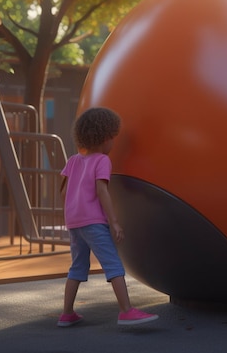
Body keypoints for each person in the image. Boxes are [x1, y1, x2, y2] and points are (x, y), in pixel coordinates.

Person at [57, 107, 158, 327]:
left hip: (74, 223)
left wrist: (74, 209)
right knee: (113, 265)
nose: (113, 143)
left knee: (76, 267)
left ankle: (66, 314)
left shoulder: (74, 160)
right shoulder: (102, 160)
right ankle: (126, 311)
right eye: (113, 138)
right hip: (94, 222)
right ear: (105, 138)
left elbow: (63, 191)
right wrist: (113, 222)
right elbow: (102, 191)